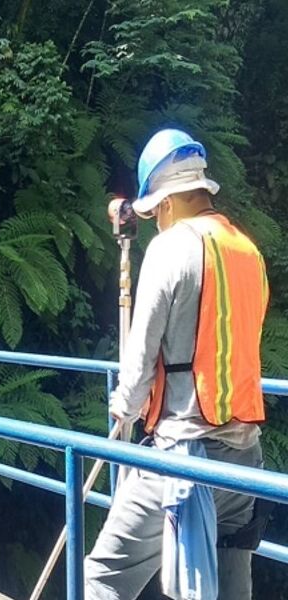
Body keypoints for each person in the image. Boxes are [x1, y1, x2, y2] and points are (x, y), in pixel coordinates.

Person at [84, 129, 269, 600]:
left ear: (164, 204)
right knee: (230, 585)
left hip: (184, 458)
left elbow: (140, 359)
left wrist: (122, 407)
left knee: (102, 576)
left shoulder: (170, 248)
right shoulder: (248, 251)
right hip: (246, 460)